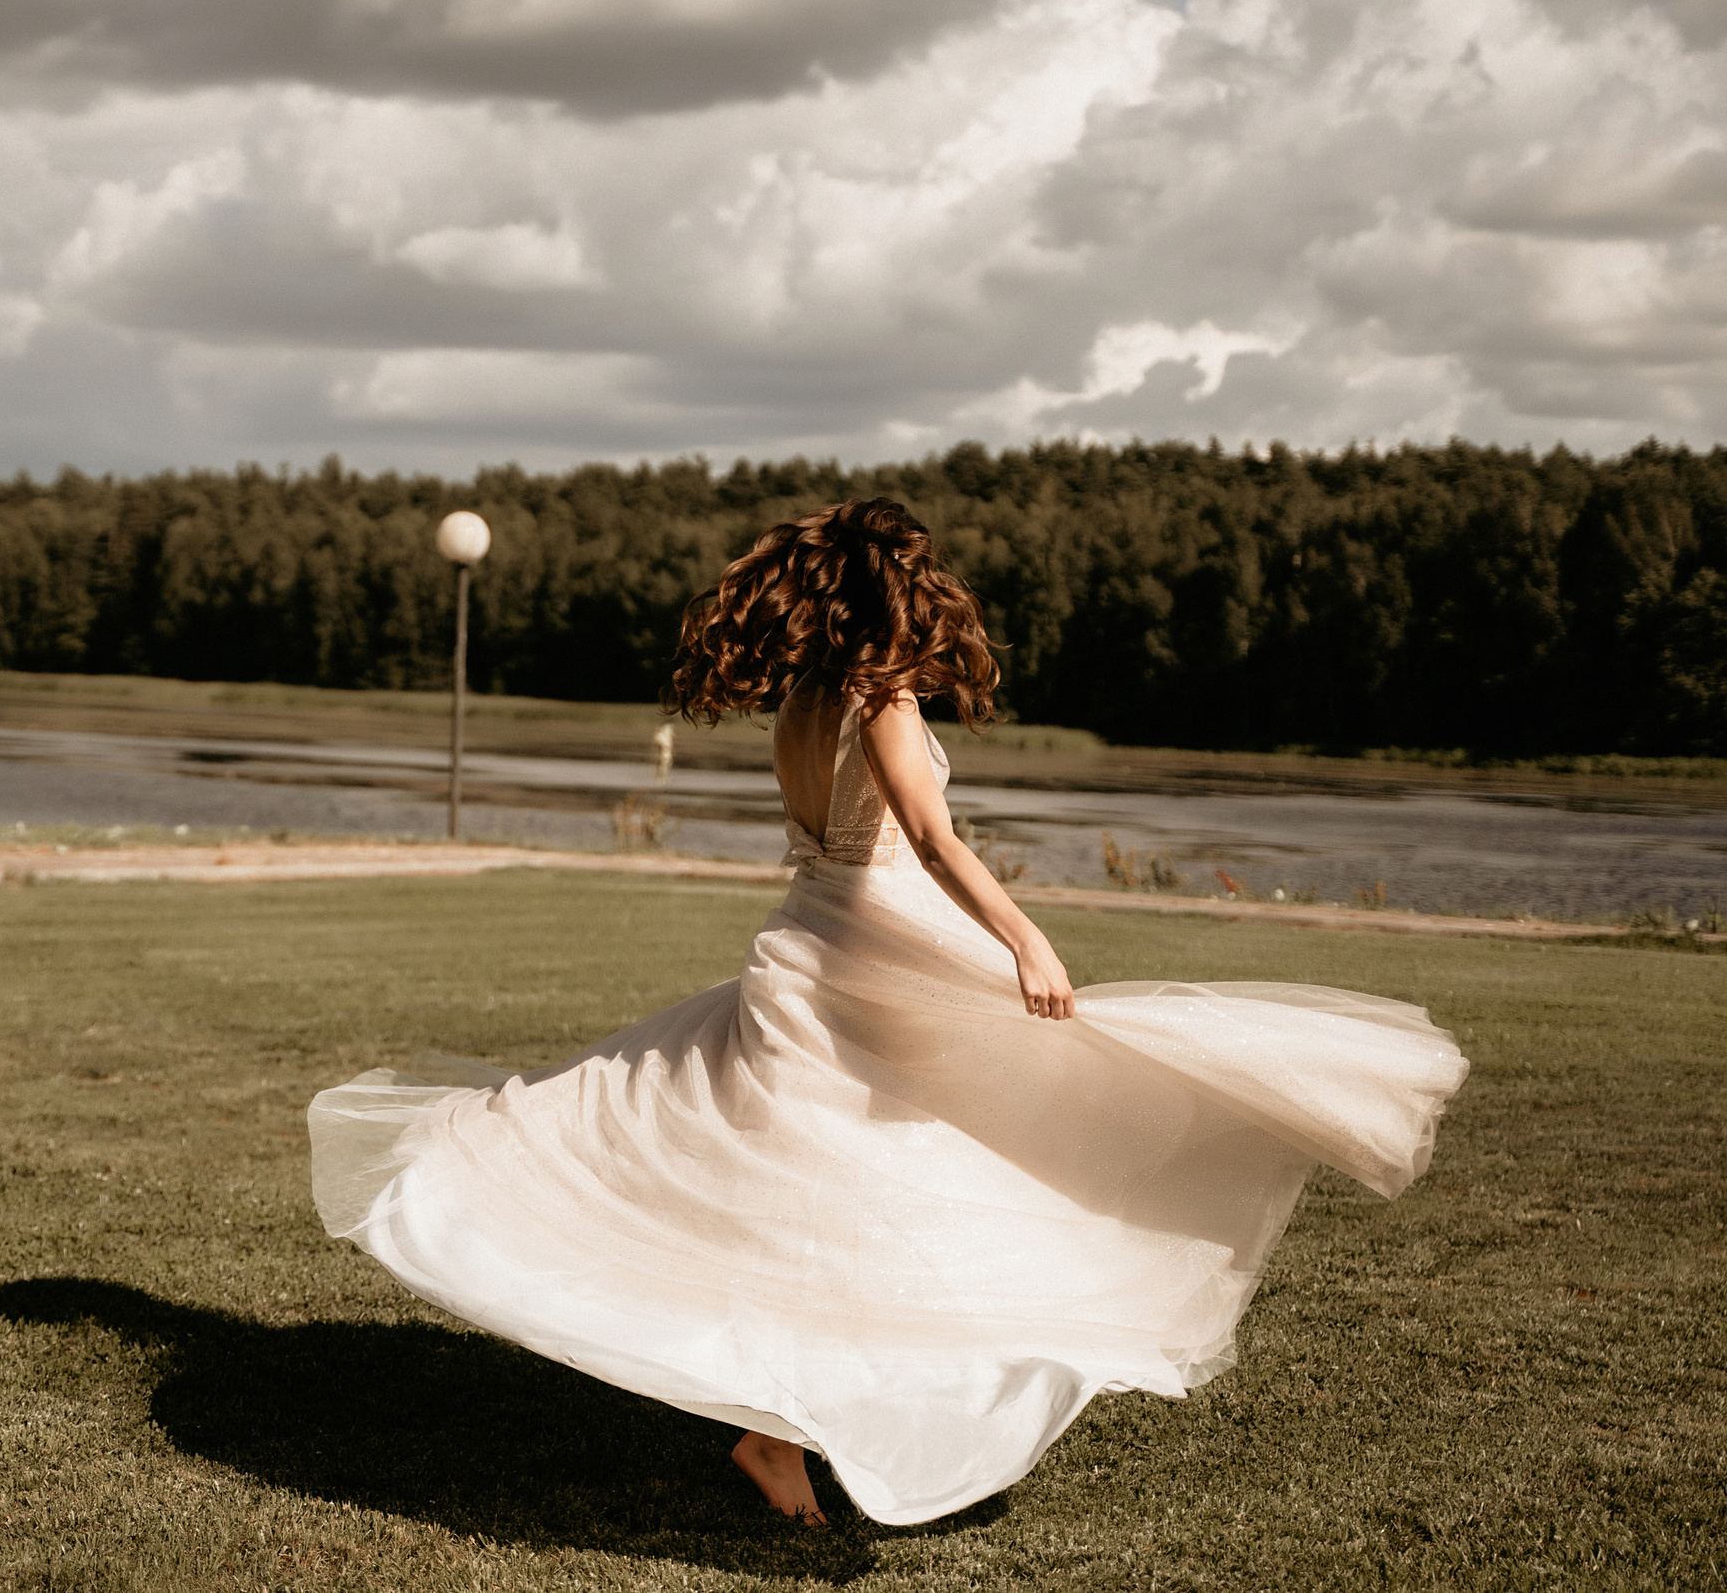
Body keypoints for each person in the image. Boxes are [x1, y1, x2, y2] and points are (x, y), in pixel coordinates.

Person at [309, 498, 1470, 1527]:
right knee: (948, 1166)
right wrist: (1024, 936)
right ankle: (794, 1426)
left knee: (830, 1183)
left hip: (816, 945)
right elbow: (927, 836)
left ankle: (781, 1433)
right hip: (875, 954)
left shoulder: (802, 702)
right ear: (898, 596)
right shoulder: (883, 701)